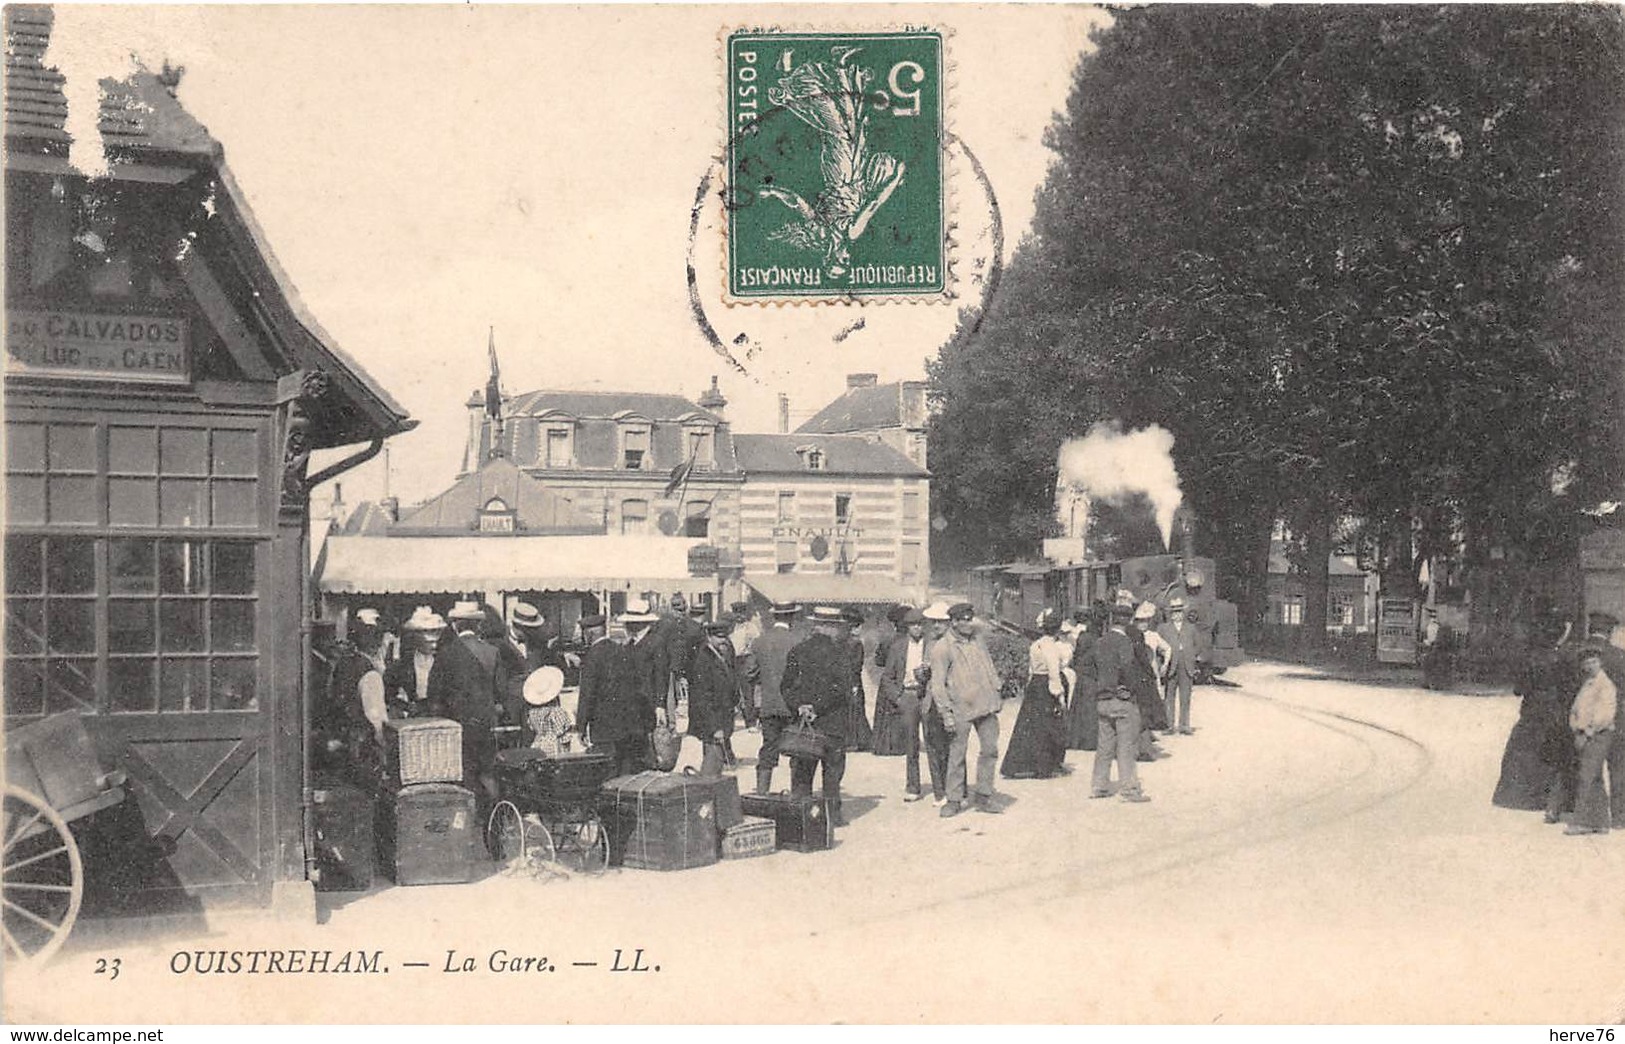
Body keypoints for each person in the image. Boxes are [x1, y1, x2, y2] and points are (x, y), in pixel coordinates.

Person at [427, 600, 509, 809]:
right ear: (478, 626)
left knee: (461, 773)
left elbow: (434, 695)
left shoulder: (445, 654)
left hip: (456, 725)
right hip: (487, 723)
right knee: (488, 773)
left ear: (455, 625)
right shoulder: (492, 652)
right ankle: (494, 818)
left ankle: (465, 822)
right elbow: (502, 692)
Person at [1493, 612, 1578, 811]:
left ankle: (1517, 797)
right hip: (1554, 709)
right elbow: (1569, 688)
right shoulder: (1562, 658)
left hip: (1532, 710)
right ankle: (1549, 799)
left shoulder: (1530, 658)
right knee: (1554, 751)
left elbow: (1518, 689)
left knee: (1523, 751)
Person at [781, 606, 854, 826]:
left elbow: (786, 686)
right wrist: (818, 708)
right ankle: (831, 816)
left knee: (802, 770)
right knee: (832, 773)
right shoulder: (842, 653)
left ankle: (800, 817)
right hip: (832, 722)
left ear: (815, 625)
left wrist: (801, 706)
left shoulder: (798, 650)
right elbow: (842, 689)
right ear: (832, 627)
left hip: (804, 724)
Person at [930, 603, 1004, 817]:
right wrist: (946, 714)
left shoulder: (978, 642)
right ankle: (953, 800)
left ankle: (983, 796)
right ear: (953, 622)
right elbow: (938, 685)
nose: (968, 623)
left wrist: (996, 693)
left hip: (986, 706)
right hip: (959, 709)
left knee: (990, 750)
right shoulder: (942, 648)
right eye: (963, 619)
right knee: (957, 754)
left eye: (970, 619)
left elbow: (990, 669)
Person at [1081, 603, 1150, 803]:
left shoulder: (1100, 641)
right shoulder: (1124, 642)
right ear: (1128, 621)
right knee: (1126, 746)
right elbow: (1128, 669)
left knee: (1104, 746)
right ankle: (1129, 789)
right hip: (1121, 701)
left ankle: (1099, 786)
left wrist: (1101, 685)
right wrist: (1128, 688)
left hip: (1102, 701)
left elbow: (1085, 666)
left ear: (1111, 620)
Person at [576, 613, 654, 776]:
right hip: (630, 725)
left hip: (605, 727)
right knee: (627, 770)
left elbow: (587, 694)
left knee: (609, 771)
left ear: (588, 633)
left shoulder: (592, 656)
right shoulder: (623, 651)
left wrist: (581, 726)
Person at [1001, 609, 1070, 780]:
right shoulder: (1051, 647)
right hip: (1047, 686)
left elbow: (1031, 669)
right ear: (1057, 629)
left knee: (1030, 726)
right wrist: (1059, 695)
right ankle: (1044, 767)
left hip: (1035, 685)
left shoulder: (1035, 644)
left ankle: (1019, 765)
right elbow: (1054, 672)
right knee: (1048, 727)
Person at [749, 602, 802, 794]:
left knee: (769, 747)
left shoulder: (760, 641)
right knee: (798, 750)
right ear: (792, 617)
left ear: (774, 617)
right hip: (793, 706)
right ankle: (798, 794)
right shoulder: (799, 641)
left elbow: (749, 672)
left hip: (769, 705)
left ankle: (762, 792)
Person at [1564, 648, 1617, 835]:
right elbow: (1575, 709)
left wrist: (1587, 732)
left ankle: (1582, 821)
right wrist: (1575, 726)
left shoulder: (1605, 685)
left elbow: (1605, 715)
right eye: (1586, 663)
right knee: (1594, 777)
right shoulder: (1587, 684)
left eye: (1593, 661)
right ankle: (1600, 821)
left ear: (1600, 663)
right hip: (1584, 733)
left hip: (1598, 734)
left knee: (1587, 775)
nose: (1590, 665)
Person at [689, 619, 740, 777]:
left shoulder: (721, 654)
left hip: (722, 716)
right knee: (712, 763)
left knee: (716, 764)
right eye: (719, 637)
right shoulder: (704, 659)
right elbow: (703, 697)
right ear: (709, 637)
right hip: (713, 721)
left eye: (725, 637)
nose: (723, 640)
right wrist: (714, 727)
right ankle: (707, 795)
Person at [383, 606, 445, 719]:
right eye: (429, 643)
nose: (433, 646)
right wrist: (405, 706)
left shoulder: (444, 663)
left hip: (439, 718)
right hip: (412, 719)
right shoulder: (402, 665)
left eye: (435, 642)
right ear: (416, 640)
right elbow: (388, 693)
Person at [1158, 596, 1203, 736]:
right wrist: (1163, 660)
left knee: (1185, 696)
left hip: (1186, 665)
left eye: (1179, 612)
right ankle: (1169, 725)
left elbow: (1199, 645)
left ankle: (1184, 725)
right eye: (1174, 612)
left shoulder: (1191, 628)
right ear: (1170, 614)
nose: (1177, 615)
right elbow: (1159, 646)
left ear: (1183, 613)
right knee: (1169, 696)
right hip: (1171, 665)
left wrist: (1191, 655)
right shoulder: (1163, 628)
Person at [1131, 601, 1171, 761]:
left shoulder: (1154, 636)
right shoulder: (1132, 635)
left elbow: (1167, 648)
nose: (1143, 624)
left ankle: (1149, 733)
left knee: (1152, 702)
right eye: (1140, 621)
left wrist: (1165, 664)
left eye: (1146, 621)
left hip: (1151, 671)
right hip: (1139, 675)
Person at [1066, 606, 1102, 752]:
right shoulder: (1095, 635)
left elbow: (1076, 655)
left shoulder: (1080, 636)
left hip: (1082, 672)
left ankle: (1077, 739)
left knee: (1079, 706)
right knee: (1090, 706)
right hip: (1091, 673)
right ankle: (1089, 740)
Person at [520, 666, 575, 755]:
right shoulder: (556, 711)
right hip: (554, 747)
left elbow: (532, 728)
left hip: (538, 744)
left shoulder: (532, 712)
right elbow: (560, 731)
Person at [841, 607, 874, 753]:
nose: (860, 629)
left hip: (842, 680)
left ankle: (849, 739)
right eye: (858, 626)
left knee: (847, 709)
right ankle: (858, 740)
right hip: (853, 680)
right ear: (852, 627)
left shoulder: (840, 641)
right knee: (856, 709)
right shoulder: (856, 644)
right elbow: (856, 667)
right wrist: (854, 684)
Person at [729, 602, 763, 729]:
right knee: (732, 691)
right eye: (736, 614)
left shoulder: (751, 627)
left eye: (741, 613)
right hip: (732, 660)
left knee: (748, 692)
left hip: (746, 660)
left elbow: (757, 645)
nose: (739, 617)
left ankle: (750, 721)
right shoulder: (730, 627)